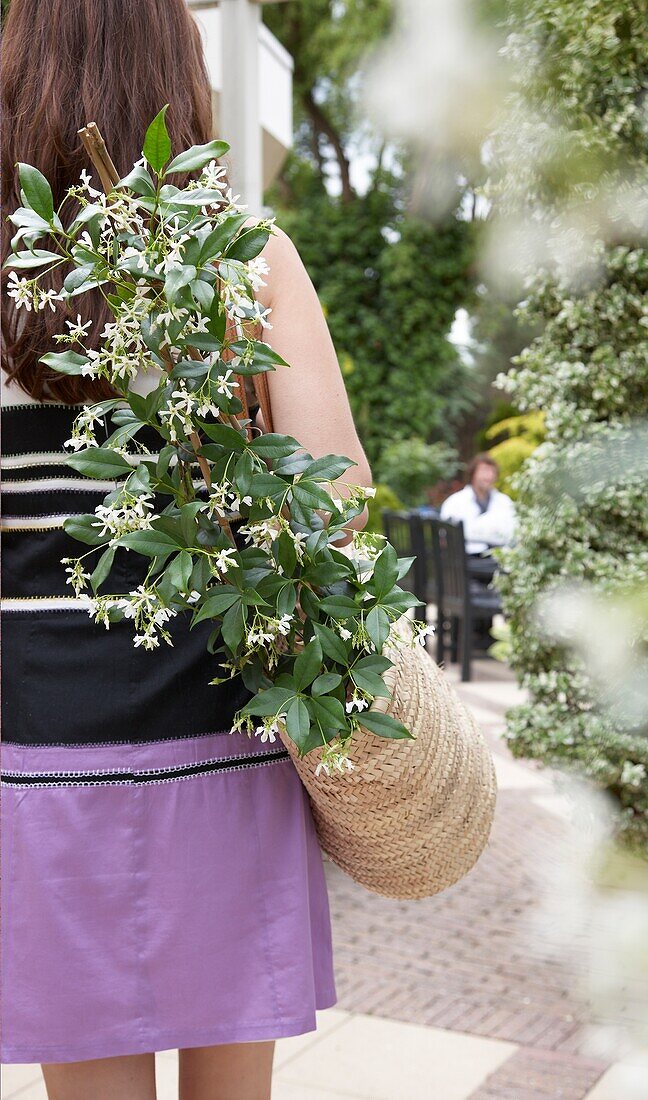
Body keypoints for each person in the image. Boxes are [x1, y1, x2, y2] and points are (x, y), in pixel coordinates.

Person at [0, 2, 372, 1098]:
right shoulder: (245, 258)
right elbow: (338, 505)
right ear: (180, 81)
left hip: (44, 756)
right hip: (224, 736)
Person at [439, 453, 516, 558]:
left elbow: (513, 531)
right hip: (465, 560)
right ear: (473, 474)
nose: (489, 475)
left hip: (499, 558)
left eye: (492, 471)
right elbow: (445, 537)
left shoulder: (504, 502)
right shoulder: (454, 502)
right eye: (484, 470)